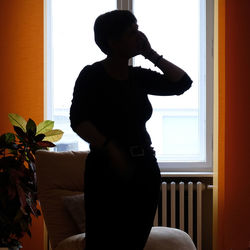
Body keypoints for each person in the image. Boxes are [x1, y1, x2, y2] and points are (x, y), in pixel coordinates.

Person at [70, 10, 192, 250]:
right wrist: (110, 148)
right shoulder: (91, 76)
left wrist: (151, 54)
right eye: (132, 33)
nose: (140, 36)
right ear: (113, 42)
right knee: (103, 241)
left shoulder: (137, 77)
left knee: (134, 241)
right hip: (105, 169)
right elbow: (79, 120)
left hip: (144, 167)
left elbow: (182, 83)